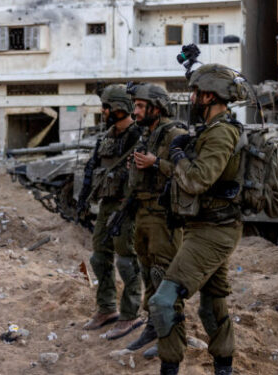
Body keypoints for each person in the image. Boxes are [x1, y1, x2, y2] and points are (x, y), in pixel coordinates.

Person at [149, 64, 246, 375]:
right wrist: (173, 159)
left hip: (213, 231)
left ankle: (169, 367)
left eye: (194, 93)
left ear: (208, 95)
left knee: (163, 301)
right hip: (205, 226)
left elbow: (197, 180)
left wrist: (178, 158)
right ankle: (224, 367)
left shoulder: (221, 133)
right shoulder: (211, 130)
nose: (191, 98)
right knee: (212, 303)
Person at [124, 83, 188, 357]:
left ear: (156, 107)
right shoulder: (147, 135)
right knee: (148, 271)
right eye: (135, 105)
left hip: (165, 216)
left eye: (140, 106)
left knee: (164, 274)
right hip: (144, 212)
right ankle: (153, 325)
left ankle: (172, 336)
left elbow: (190, 171)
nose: (135, 111)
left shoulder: (176, 134)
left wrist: (155, 164)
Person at [79, 84, 143, 340]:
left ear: (119, 108)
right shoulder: (106, 136)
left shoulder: (139, 136)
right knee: (99, 257)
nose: (103, 111)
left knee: (127, 260)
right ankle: (106, 308)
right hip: (107, 203)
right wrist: (83, 200)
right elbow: (91, 168)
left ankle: (130, 314)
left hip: (128, 204)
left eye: (107, 107)